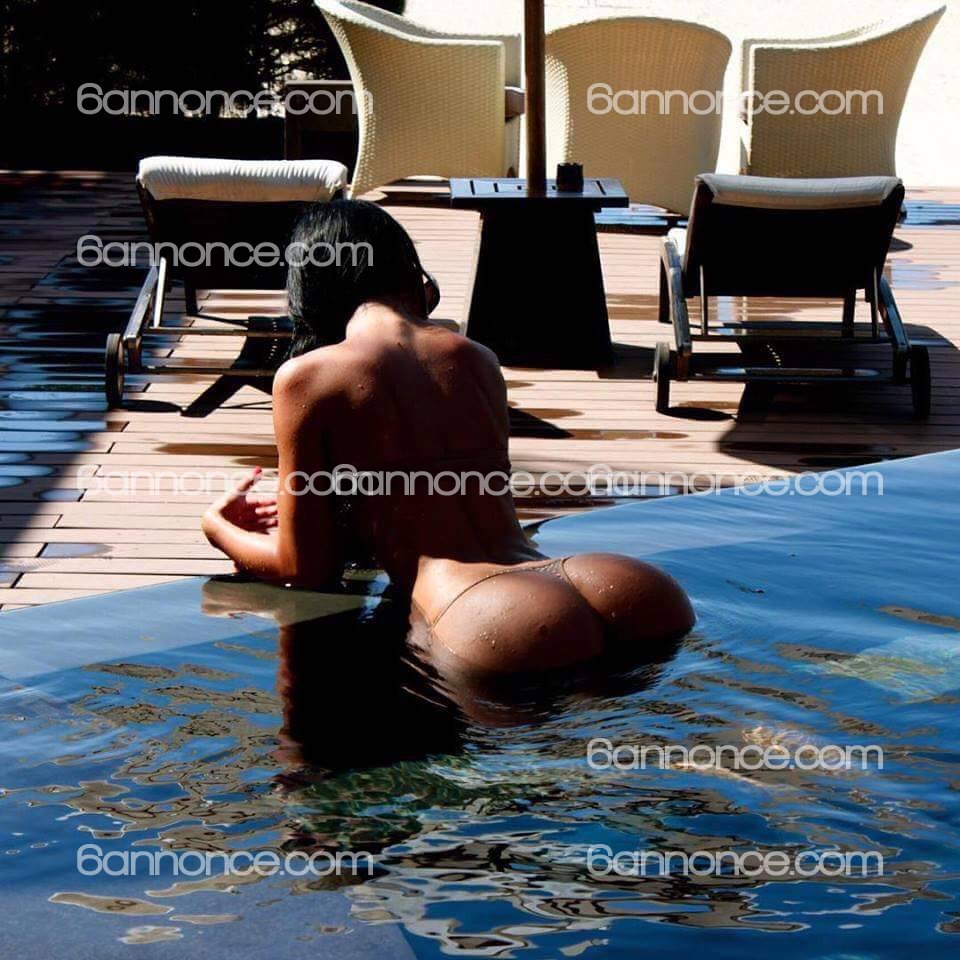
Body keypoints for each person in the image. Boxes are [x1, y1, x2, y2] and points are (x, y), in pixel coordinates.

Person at [202, 200, 694, 674]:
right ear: (409, 273)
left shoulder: (306, 377)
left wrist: (219, 528)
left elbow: (305, 568)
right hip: (621, 584)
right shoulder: (477, 357)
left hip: (490, 614)